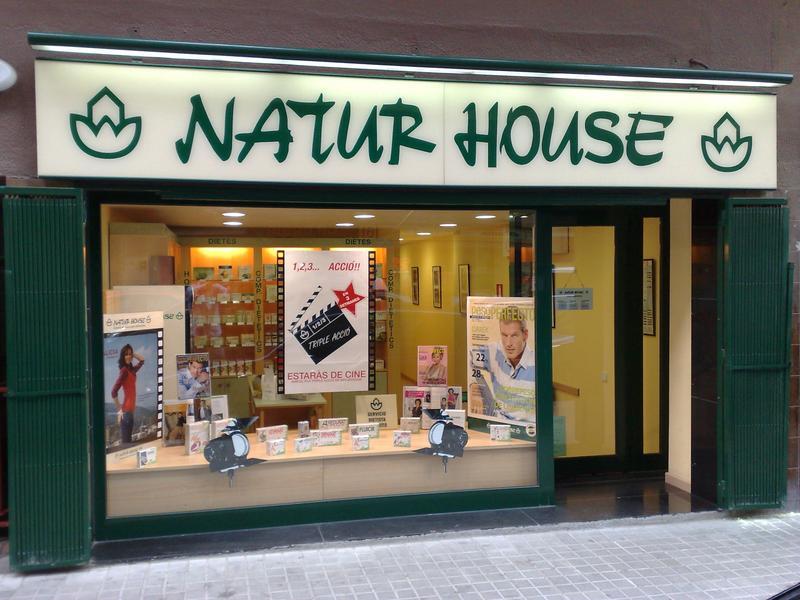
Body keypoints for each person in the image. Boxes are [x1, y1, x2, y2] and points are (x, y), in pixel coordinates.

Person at [470, 313, 535, 422]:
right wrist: (474, 386)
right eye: (504, 335)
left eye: (514, 336)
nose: (508, 343)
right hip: (498, 422)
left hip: (525, 427)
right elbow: (469, 356)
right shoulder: (495, 351)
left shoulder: (536, 362)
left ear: (525, 335)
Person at [111, 344, 145, 444]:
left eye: (130, 354)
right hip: (126, 412)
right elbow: (113, 391)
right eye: (126, 354)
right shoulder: (124, 371)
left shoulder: (132, 370)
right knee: (126, 444)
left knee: (128, 442)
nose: (129, 356)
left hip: (130, 412)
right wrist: (119, 411)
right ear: (122, 356)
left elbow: (142, 360)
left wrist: (132, 354)